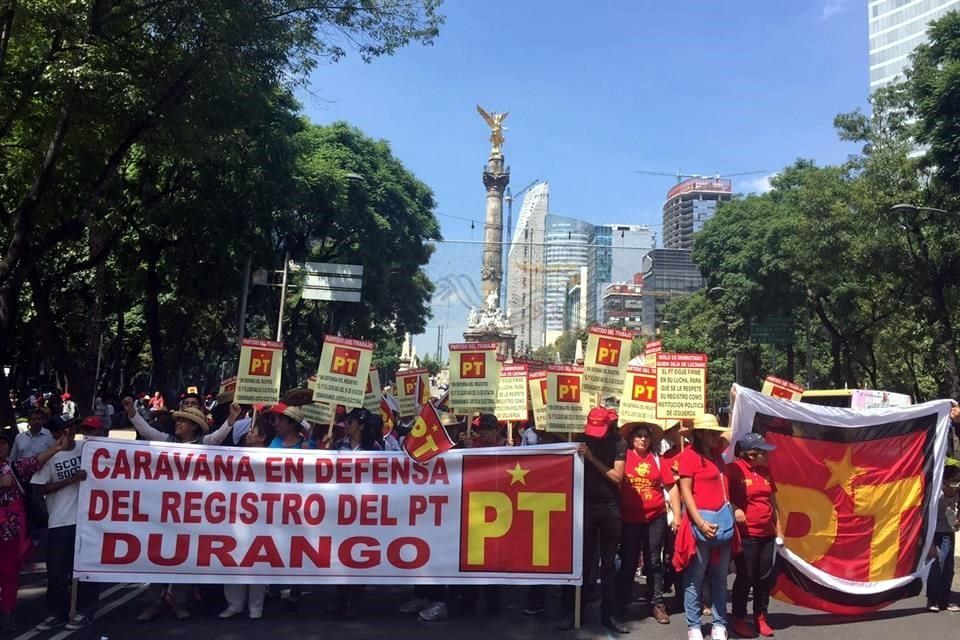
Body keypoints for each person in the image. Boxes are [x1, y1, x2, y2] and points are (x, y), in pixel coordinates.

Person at [124, 398, 242, 622]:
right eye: (178, 420)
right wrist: (132, 412)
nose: (178, 424)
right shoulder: (167, 441)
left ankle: (180, 603)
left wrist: (232, 418)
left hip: (191, 513)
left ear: (194, 427)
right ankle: (153, 603)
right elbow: (147, 431)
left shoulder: (204, 443)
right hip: (165, 511)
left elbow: (219, 436)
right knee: (158, 558)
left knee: (184, 558)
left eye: (184, 421)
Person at [561, 407, 628, 634]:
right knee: (580, 561)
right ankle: (572, 612)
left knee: (608, 564)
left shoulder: (619, 443)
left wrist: (592, 458)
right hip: (584, 506)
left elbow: (617, 477)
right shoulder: (580, 439)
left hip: (610, 507)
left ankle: (608, 615)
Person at [31, 418, 100, 631]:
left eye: (70, 428)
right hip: (60, 521)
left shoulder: (86, 448)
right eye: (62, 430)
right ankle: (57, 612)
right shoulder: (49, 458)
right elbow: (39, 489)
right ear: (54, 434)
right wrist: (72, 479)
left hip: (87, 520)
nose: (67, 433)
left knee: (86, 569)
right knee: (57, 572)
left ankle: (85, 610)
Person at [674, 413, 735, 640]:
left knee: (720, 577)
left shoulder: (717, 454)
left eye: (716, 432)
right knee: (695, 577)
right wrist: (700, 521)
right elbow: (685, 491)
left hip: (722, 523)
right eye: (710, 432)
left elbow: (730, 434)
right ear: (699, 434)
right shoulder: (689, 456)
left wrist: (736, 400)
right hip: (700, 525)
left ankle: (720, 623)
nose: (716, 436)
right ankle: (694, 625)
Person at [615, 421, 681, 625]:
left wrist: (677, 514)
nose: (643, 439)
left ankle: (657, 603)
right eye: (639, 435)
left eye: (646, 436)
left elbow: (671, 487)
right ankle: (622, 602)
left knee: (654, 562)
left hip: (655, 517)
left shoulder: (658, 460)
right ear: (631, 438)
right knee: (629, 561)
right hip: (629, 519)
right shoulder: (623, 457)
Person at [0, 428, 64, 632]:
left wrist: (55, 449)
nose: (0, 447)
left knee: (9, 574)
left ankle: (7, 613)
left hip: (10, 532)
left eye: (3, 443)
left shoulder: (14, 467)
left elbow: (35, 461)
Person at [729, 433, 782, 639]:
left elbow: (773, 503)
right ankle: (739, 618)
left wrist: (779, 530)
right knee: (746, 577)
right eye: (763, 452)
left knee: (764, 578)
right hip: (746, 534)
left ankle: (760, 616)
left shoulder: (766, 471)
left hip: (767, 534)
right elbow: (723, 497)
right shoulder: (733, 470)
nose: (768, 456)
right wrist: (735, 508)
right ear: (751, 454)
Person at [219, 420, 272, 620]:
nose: (248, 434)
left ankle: (256, 606)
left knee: (258, 560)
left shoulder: (273, 457)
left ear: (263, 437)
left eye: (253, 431)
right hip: (237, 513)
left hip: (263, 515)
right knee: (233, 557)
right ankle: (234, 604)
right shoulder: (236, 455)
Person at [927, 459, 960, 613]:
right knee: (936, 564)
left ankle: (944, 600)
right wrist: (928, 542)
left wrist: (958, 519)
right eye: (954, 480)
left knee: (948, 565)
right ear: (945, 481)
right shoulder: (936, 493)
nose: (956, 483)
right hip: (932, 531)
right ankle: (932, 599)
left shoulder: (958, 490)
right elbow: (924, 514)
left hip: (947, 530)